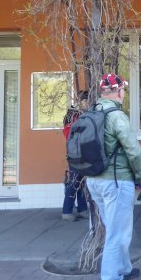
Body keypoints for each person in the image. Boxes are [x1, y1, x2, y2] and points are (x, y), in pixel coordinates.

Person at [86, 73, 141, 280]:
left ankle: (123, 269)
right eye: (124, 89)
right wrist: (140, 177)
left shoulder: (92, 112)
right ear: (119, 91)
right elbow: (133, 150)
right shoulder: (116, 116)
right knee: (118, 233)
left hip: (94, 181)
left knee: (114, 228)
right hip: (116, 180)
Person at [62, 90, 89, 222]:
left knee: (81, 180)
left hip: (79, 151)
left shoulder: (79, 114)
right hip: (75, 153)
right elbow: (69, 134)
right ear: (81, 101)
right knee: (74, 180)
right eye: (87, 101)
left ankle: (82, 209)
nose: (88, 104)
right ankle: (67, 211)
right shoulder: (74, 115)